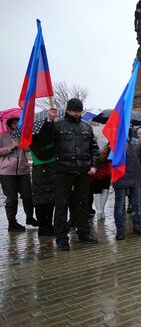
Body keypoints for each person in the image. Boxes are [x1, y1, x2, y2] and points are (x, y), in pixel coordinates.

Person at [38, 99, 100, 250]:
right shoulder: (57, 125)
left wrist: (93, 165)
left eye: (79, 112)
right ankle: (61, 238)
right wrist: (49, 121)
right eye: (74, 111)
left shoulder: (86, 127)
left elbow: (94, 149)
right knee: (61, 206)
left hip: (83, 172)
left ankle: (84, 233)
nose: (77, 114)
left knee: (82, 204)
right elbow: (44, 141)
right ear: (67, 111)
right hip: (63, 171)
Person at [0, 109, 36, 231]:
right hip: (6, 172)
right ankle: (12, 222)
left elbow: (28, 150)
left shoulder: (22, 135)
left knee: (28, 196)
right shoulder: (2, 136)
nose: (16, 125)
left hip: (23, 170)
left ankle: (30, 217)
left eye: (18, 123)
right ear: (9, 124)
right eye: (14, 123)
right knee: (11, 199)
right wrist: (10, 148)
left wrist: (26, 143)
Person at [112, 131, 141, 240]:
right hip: (120, 177)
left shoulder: (137, 142)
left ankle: (137, 226)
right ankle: (120, 230)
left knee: (136, 204)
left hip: (135, 177)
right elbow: (108, 158)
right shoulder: (114, 141)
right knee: (120, 205)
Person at [30, 121, 56, 236]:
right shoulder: (33, 139)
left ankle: (49, 225)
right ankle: (42, 226)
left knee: (51, 200)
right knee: (41, 201)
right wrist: (55, 147)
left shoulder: (51, 138)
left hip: (51, 171)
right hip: (40, 172)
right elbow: (41, 154)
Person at [89, 143, 111, 220]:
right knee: (99, 190)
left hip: (104, 168)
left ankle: (101, 210)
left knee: (103, 190)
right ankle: (100, 210)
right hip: (98, 168)